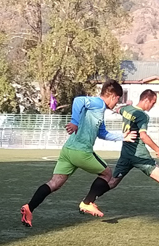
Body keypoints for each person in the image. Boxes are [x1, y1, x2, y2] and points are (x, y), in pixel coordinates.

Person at [20, 80, 136, 227]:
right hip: (81, 151)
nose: (116, 103)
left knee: (54, 183)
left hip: (68, 150)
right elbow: (78, 100)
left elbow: (103, 134)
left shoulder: (99, 111)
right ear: (113, 96)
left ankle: (29, 208)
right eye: (118, 99)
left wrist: (123, 136)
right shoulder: (98, 103)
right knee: (107, 174)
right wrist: (74, 121)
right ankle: (87, 202)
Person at [80, 90, 159, 217]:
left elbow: (116, 109)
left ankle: (87, 201)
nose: (152, 106)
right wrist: (157, 149)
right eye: (153, 103)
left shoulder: (127, 109)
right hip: (139, 155)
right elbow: (143, 136)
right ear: (146, 100)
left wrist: (125, 104)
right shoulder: (142, 115)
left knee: (112, 182)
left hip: (126, 153)